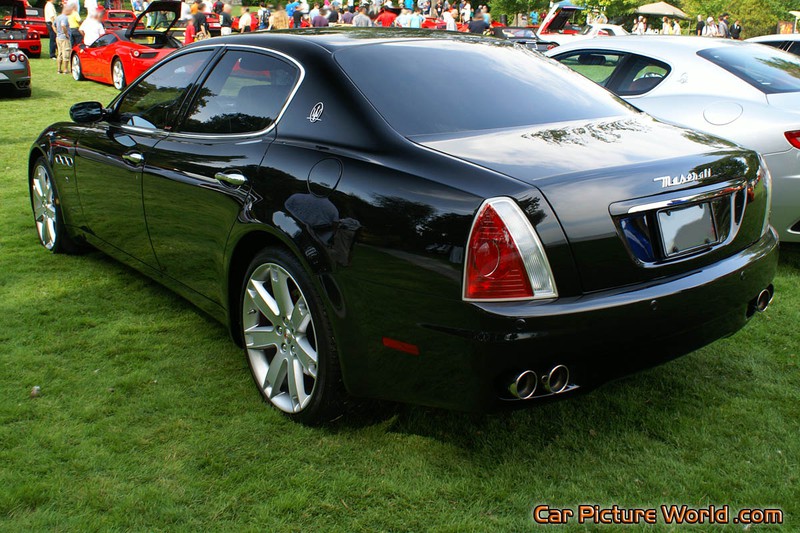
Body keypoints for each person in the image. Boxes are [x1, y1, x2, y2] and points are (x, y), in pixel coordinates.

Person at [55, 4, 71, 74]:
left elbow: (53, 25)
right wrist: (66, 34)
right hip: (64, 38)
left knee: (59, 53)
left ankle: (59, 69)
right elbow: (63, 25)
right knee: (66, 53)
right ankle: (65, 69)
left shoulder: (58, 17)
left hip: (58, 37)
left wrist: (57, 33)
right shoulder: (65, 17)